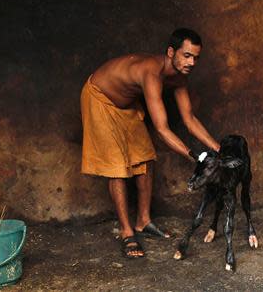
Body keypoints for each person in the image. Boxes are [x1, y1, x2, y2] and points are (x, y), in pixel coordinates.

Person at [80, 28, 220, 258]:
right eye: (186, 55)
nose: (192, 62)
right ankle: (127, 232)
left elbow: (189, 118)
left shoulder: (179, 76)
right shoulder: (151, 73)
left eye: (196, 57)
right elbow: (162, 129)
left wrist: (218, 149)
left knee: (145, 157)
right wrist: (197, 157)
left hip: (126, 105)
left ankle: (143, 221)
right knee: (117, 168)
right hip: (101, 99)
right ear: (170, 52)